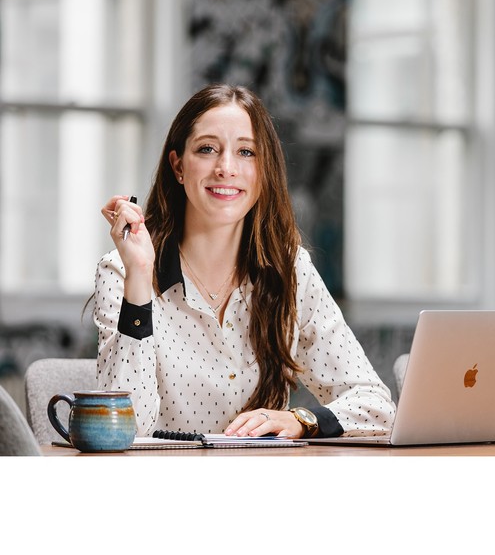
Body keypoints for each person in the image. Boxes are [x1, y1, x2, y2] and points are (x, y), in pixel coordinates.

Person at [94, 83, 396, 439]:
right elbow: (124, 426)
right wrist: (141, 277)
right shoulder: (122, 270)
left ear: (263, 169)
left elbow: (376, 406)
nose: (226, 167)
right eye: (207, 149)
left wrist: (300, 420)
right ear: (178, 166)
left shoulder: (289, 269)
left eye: (246, 152)